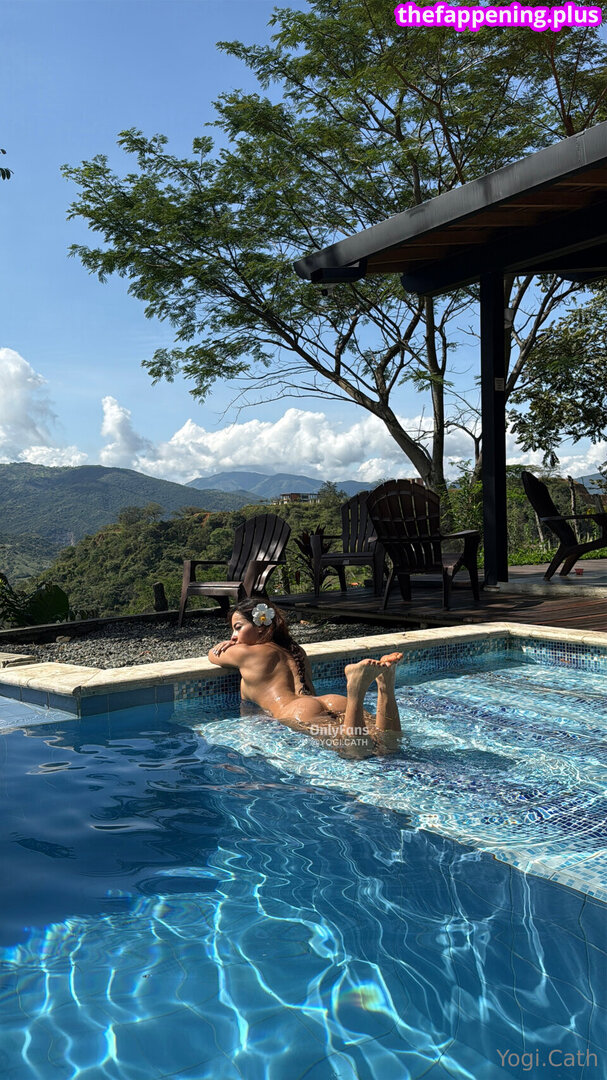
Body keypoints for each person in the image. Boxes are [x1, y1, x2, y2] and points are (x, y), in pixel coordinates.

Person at [208, 598, 403, 753]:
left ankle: (356, 692)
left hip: (298, 711)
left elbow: (212, 655)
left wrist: (227, 646)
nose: (233, 636)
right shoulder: (295, 650)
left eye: (238, 627)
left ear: (260, 626)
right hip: (330, 700)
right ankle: (385, 686)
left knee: (353, 750)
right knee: (387, 743)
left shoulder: (245, 653)